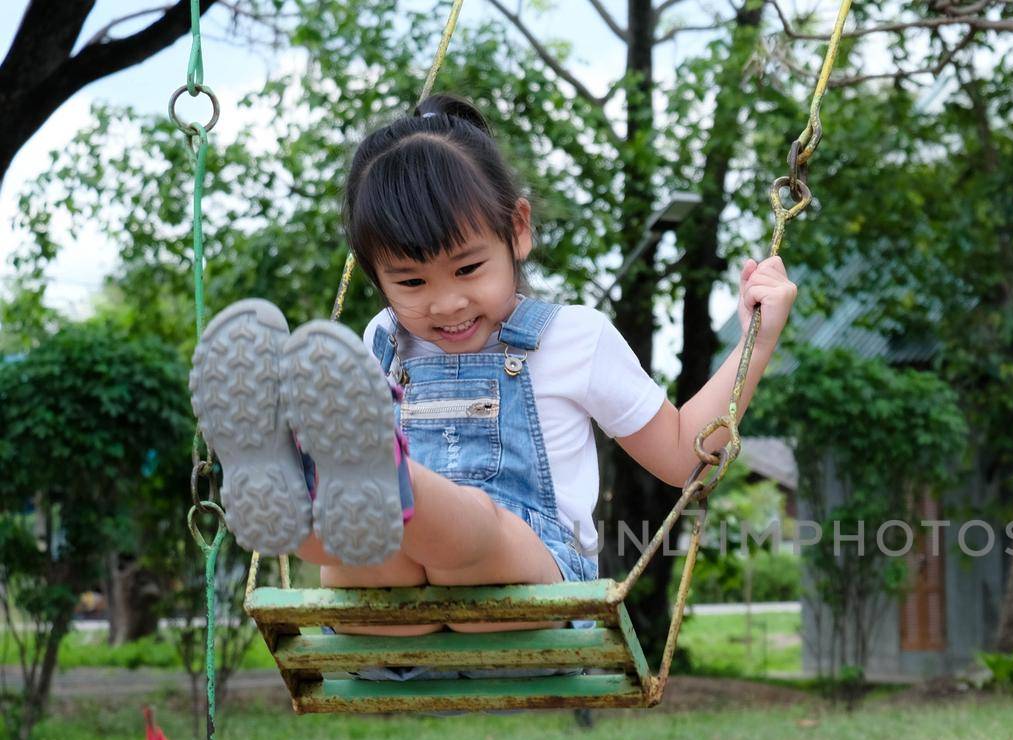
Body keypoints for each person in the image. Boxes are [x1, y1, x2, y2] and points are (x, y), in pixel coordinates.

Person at [189, 94, 796, 641]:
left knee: (472, 523)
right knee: (358, 544)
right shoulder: (383, 339)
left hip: (527, 588)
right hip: (393, 621)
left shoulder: (573, 338)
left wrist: (755, 343)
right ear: (375, 276)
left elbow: (681, 455)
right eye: (410, 281)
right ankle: (291, 491)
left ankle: (366, 474)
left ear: (518, 231)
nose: (446, 302)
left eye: (468, 269)